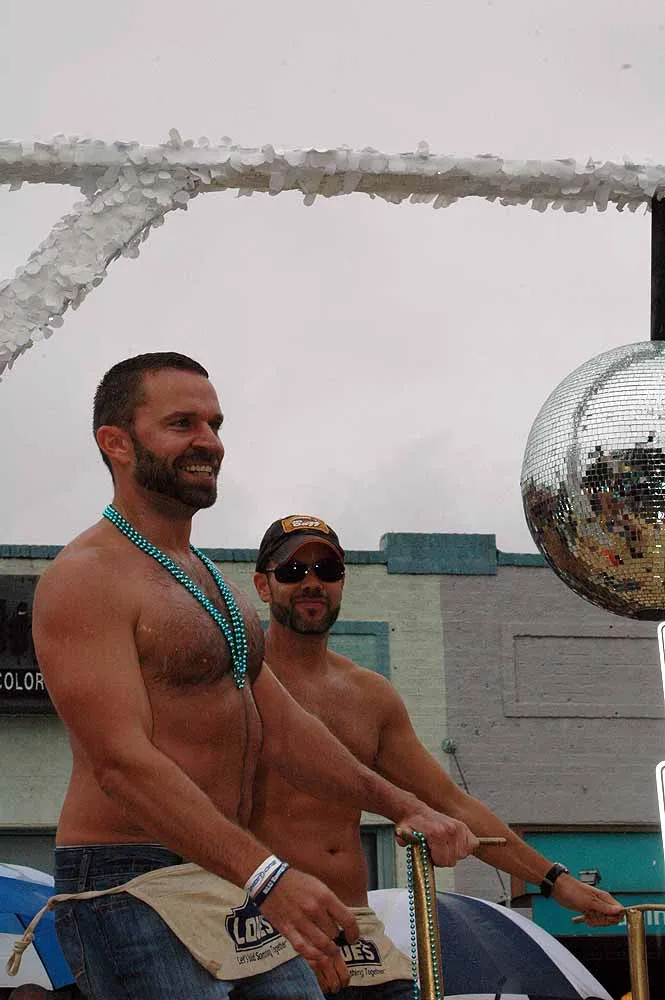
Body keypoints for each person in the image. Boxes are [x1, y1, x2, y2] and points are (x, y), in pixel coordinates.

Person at [30, 353, 482, 1000]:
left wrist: (405, 806)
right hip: (132, 877)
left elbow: (287, 731)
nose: (208, 442)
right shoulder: (87, 577)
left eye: (214, 424)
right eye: (182, 423)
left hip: (229, 867)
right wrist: (271, 877)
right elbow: (120, 764)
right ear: (116, 443)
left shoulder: (216, 585)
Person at [250, 514, 625, 997]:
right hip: (262, 920)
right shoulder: (235, 682)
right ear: (263, 586)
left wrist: (556, 881)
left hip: (351, 924)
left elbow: (451, 802)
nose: (312, 583)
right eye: (292, 571)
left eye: (327, 570)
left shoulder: (369, 695)